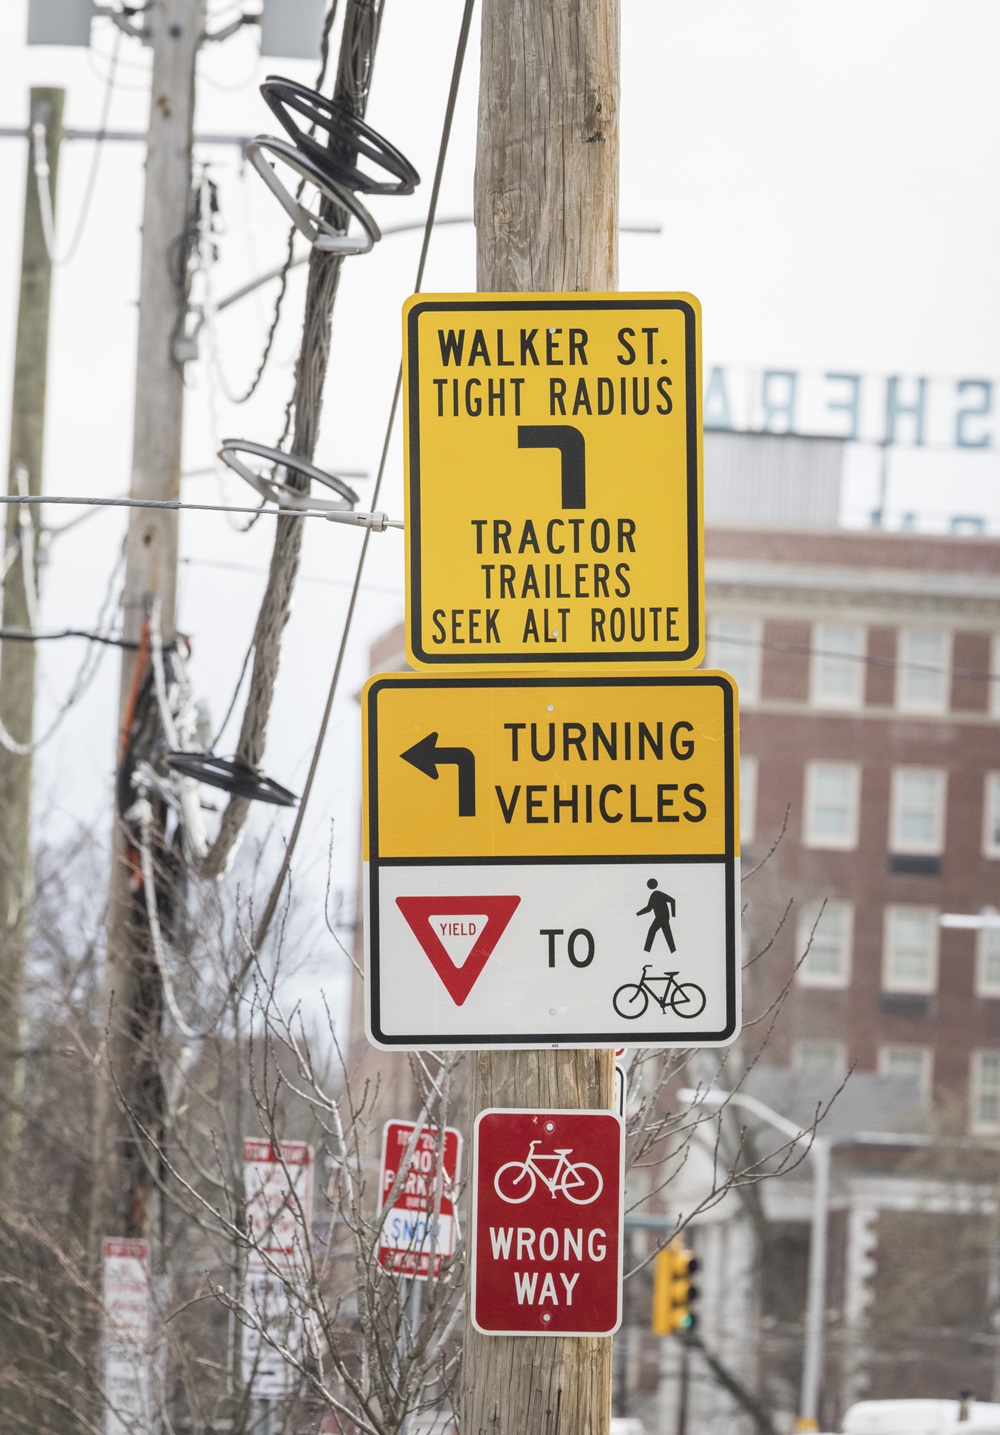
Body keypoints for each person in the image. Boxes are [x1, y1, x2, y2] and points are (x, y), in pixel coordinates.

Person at [636, 878, 677, 953]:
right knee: (667, 933)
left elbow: (672, 900)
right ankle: (673, 950)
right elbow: (649, 909)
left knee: (652, 931)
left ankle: (646, 950)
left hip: (661, 917)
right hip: (663, 917)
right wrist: (638, 914)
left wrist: (673, 915)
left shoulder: (656, 894)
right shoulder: (654, 894)